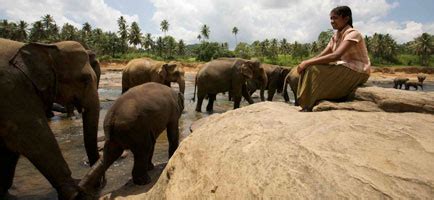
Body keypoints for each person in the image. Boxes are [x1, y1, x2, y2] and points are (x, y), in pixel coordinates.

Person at [296, 5, 370, 112]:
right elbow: (323, 54)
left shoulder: (353, 34)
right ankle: (304, 101)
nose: (332, 21)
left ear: (346, 18)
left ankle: (308, 104)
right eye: (331, 18)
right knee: (309, 67)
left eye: (335, 18)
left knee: (313, 69)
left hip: (358, 70)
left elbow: (336, 55)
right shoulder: (336, 36)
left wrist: (307, 63)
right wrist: (306, 63)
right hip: (345, 67)